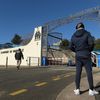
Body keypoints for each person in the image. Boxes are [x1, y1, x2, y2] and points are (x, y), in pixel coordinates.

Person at [69, 22, 99, 96]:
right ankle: (91, 90)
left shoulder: (73, 36)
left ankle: (77, 90)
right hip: (86, 55)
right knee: (89, 72)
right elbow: (91, 44)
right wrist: (89, 50)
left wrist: (76, 50)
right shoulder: (87, 33)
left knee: (78, 72)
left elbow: (70, 46)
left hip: (78, 55)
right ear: (83, 27)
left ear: (77, 28)